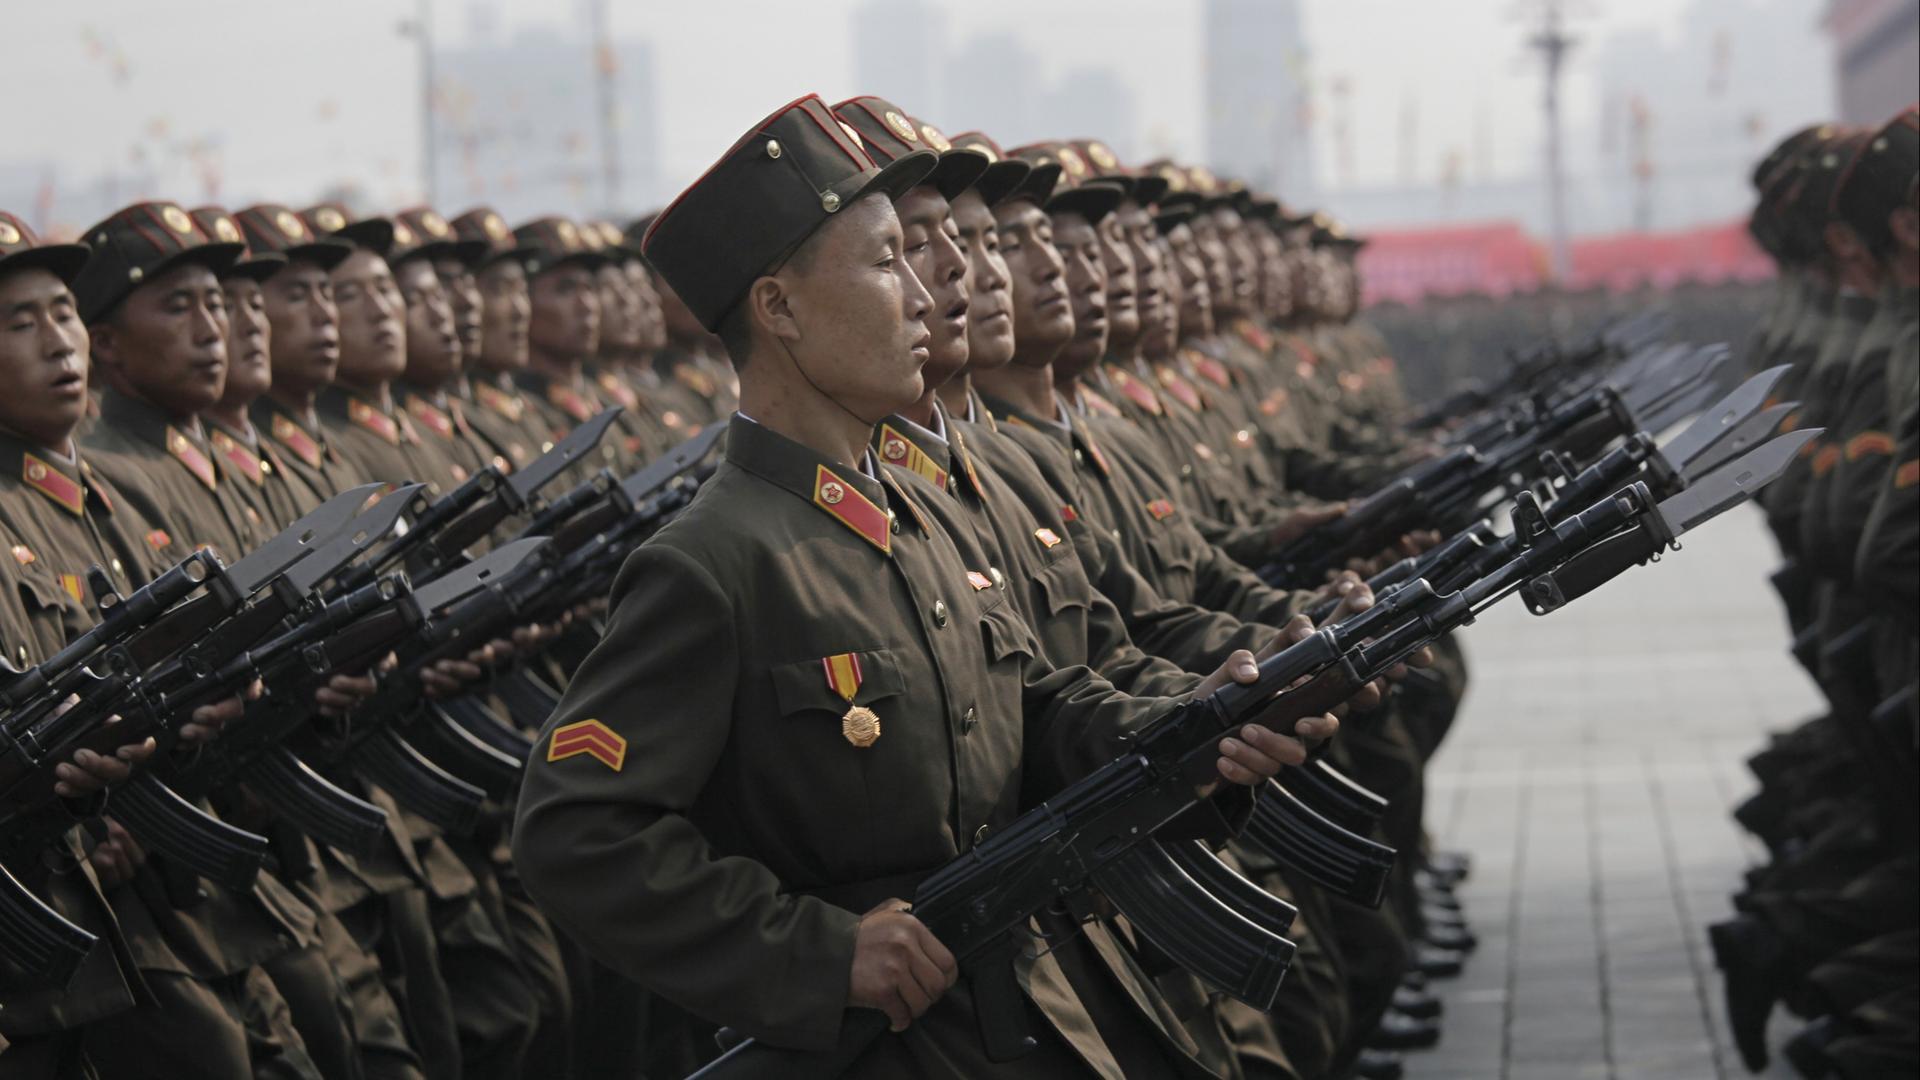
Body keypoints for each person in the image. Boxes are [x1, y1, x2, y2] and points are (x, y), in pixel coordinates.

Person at [514, 93, 1338, 1079]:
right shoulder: (715, 560)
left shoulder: (920, 510)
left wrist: (1197, 726)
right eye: (885, 262)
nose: (921, 294)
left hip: (1033, 1001)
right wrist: (818, 953)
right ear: (778, 308)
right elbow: (575, 830)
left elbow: (1031, 708)